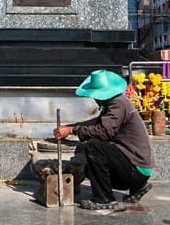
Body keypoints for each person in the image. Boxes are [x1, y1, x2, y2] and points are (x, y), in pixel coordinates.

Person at [53, 69, 154, 210]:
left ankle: (103, 200)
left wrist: (73, 130)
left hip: (135, 169)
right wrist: (71, 127)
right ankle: (137, 187)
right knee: (90, 169)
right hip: (138, 168)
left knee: (94, 146)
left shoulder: (117, 104)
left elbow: (104, 131)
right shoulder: (117, 101)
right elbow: (98, 122)